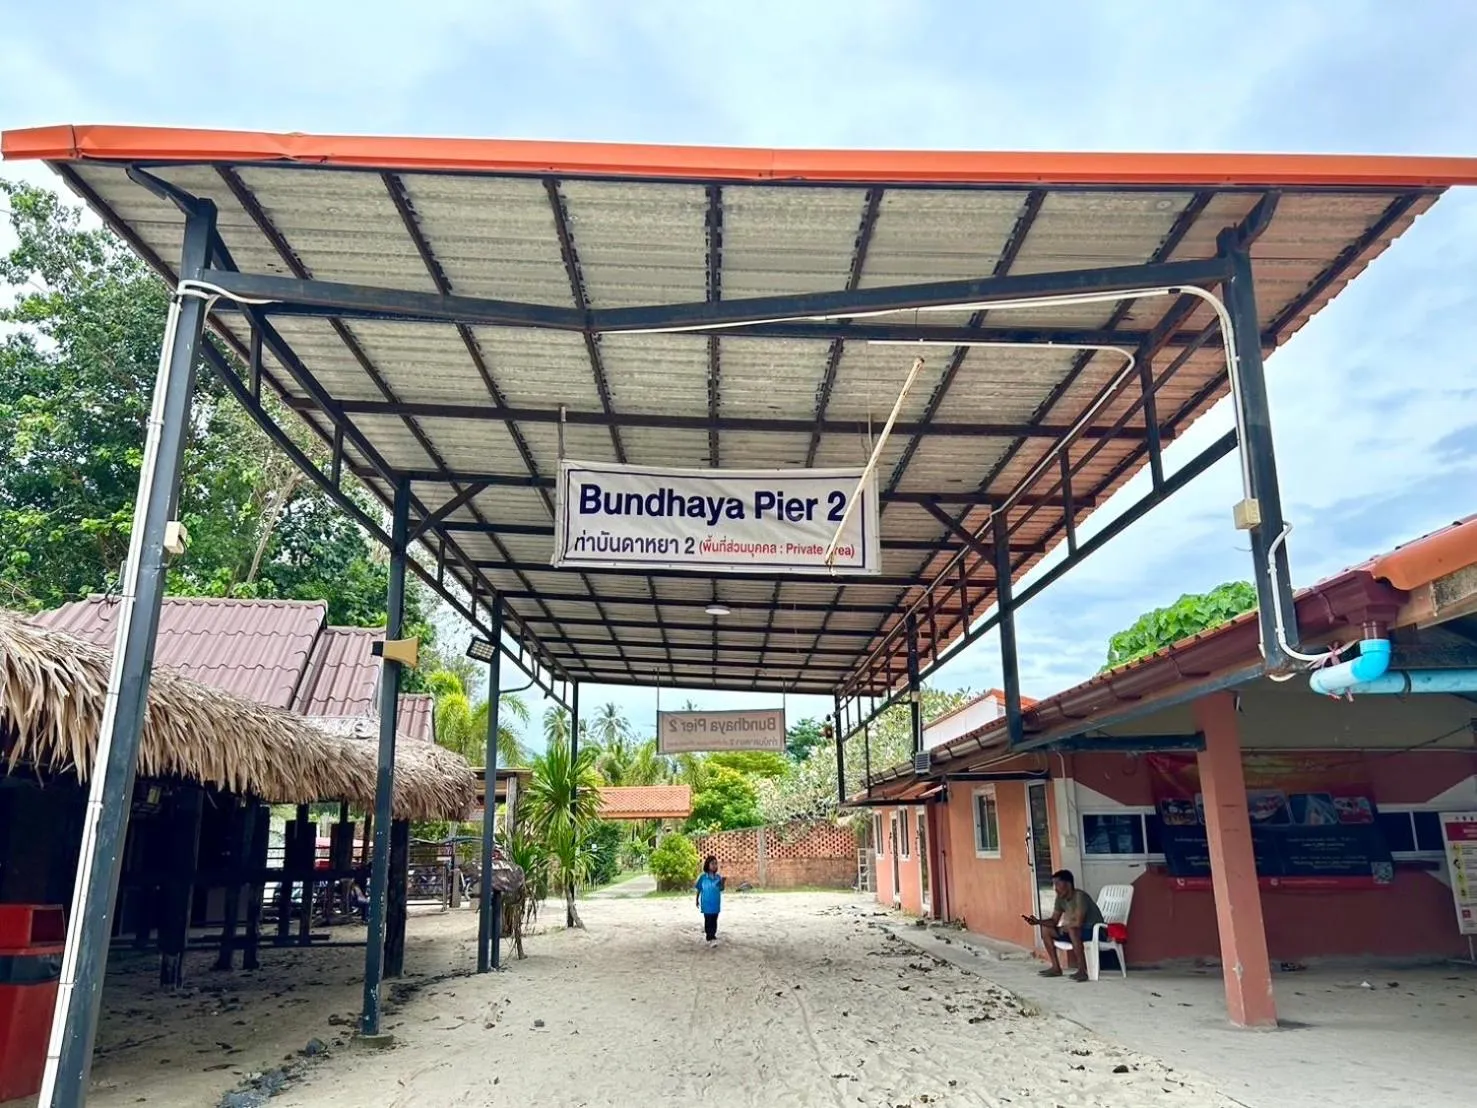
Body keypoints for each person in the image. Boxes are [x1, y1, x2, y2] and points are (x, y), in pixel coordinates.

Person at [1023, 869, 1103, 981]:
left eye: (1058, 884)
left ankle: (1082, 970)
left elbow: (1078, 922)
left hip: (1094, 930)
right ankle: (1056, 967)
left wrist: (1063, 928)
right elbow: (1054, 920)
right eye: (1054, 885)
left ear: (1068, 884)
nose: (1055, 888)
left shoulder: (1080, 896)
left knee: (1072, 929)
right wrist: (1038, 922)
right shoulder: (1060, 898)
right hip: (1075, 932)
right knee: (1046, 929)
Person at [694, 855, 725, 943]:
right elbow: (699, 889)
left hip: (715, 903)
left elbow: (721, 889)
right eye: (712, 863)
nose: (715, 865)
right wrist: (696, 900)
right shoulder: (703, 877)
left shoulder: (718, 877)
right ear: (707, 865)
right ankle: (709, 936)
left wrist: (723, 883)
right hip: (706, 903)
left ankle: (713, 934)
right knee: (708, 920)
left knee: (714, 920)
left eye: (716, 864)